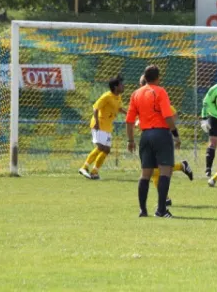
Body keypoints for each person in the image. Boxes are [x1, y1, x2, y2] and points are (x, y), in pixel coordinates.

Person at [126, 65, 180, 218]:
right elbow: (168, 116)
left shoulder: (136, 94)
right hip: (161, 134)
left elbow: (129, 121)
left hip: (145, 136)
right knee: (165, 171)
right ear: (158, 77)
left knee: (145, 174)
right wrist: (175, 134)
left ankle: (143, 210)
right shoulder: (160, 91)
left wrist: (130, 140)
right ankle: (161, 210)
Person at [133, 75, 193, 207]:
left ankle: (163, 201)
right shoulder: (140, 98)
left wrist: (168, 127)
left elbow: (172, 113)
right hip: (149, 136)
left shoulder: (155, 96)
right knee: (153, 172)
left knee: (154, 170)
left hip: (160, 136)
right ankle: (165, 199)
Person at [79, 75, 126, 180]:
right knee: (101, 147)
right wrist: (96, 122)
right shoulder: (106, 96)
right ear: (115, 86)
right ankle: (84, 167)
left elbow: (119, 108)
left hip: (107, 126)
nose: (123, 86)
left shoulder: (118, 97)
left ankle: (95, 171)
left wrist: (129, 114)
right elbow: (95, 108)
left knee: (107, 149)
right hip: (99, 124)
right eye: (121, 84)